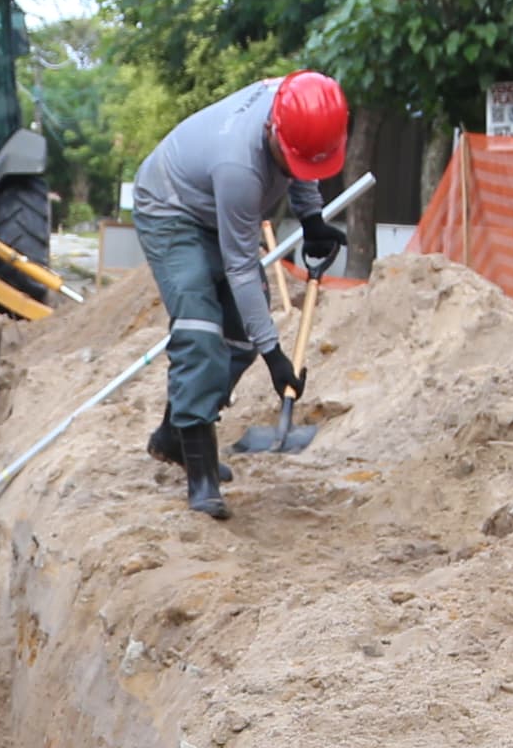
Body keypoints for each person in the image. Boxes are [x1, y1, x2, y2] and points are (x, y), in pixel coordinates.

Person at [125, 71, 348, 518]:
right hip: (171, 208)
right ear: (271, 133)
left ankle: (173, 434)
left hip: (215, 206)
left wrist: (311, 218)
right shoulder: (239, 165)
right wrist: (274, 354)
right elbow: (241, 266)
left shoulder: (298, 105)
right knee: (200, 330)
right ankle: (200, 470)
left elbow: (302, 161)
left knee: (239, 337)